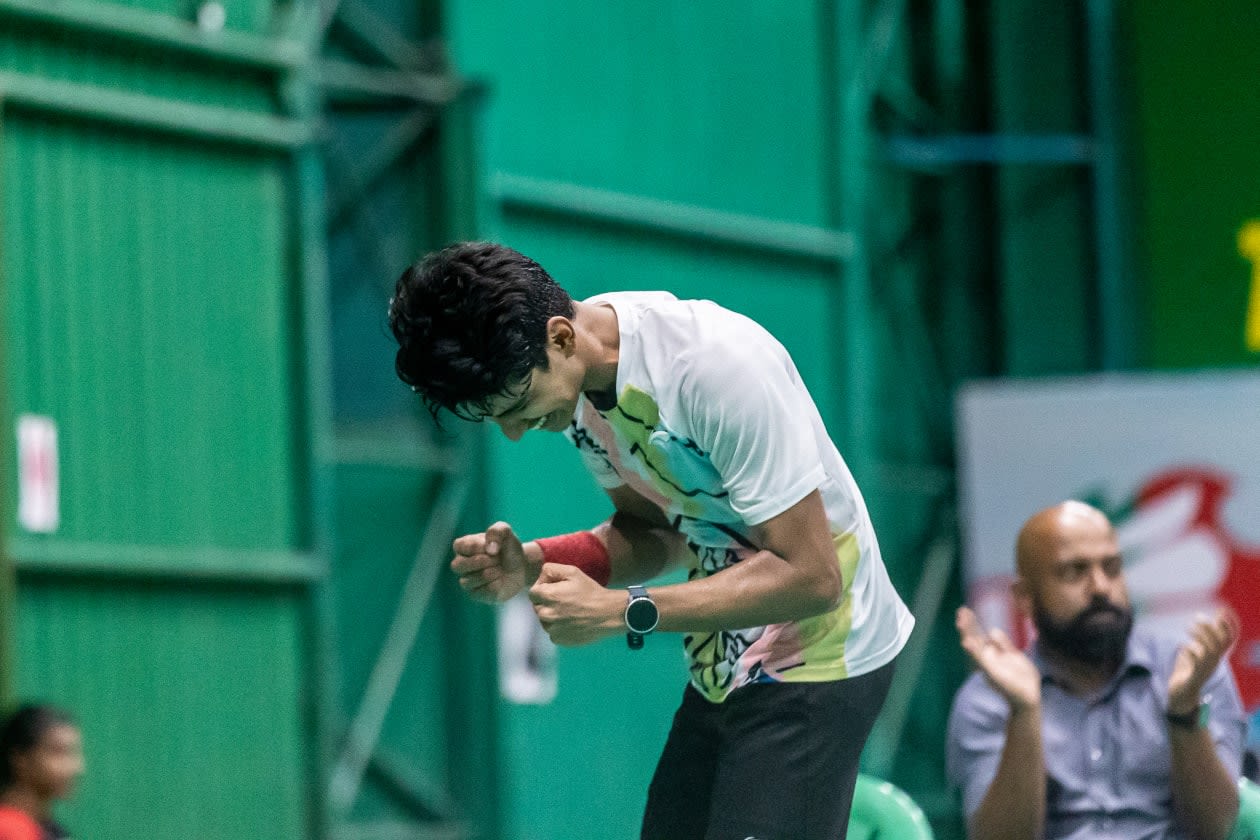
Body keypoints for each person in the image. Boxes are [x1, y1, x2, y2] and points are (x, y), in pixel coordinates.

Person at [388, 241, 914, 840]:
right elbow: (660, 533)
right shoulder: (579, 387)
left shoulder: (716, 369)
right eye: (496, 418)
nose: (513, 433)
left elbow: (814, 577)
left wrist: (623, 612)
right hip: (725, 661)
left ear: (561, 337)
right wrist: (533, 563)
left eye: (519, 405)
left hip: (822, 654)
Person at [947, 501, 1247, 840]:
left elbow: (1216, 830)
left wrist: (1184, 715)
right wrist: (1024, 712)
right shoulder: (988, 698)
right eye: (1074, 572)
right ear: (1025, 597)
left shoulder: (1189, 671)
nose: (1101, 587)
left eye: (1112, 568)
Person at [0, 704, 83, 840]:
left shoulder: (48, 828)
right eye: (59, 753)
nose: (77, 767)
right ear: (20, 759)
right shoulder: (8, 829)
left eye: (73, 753)